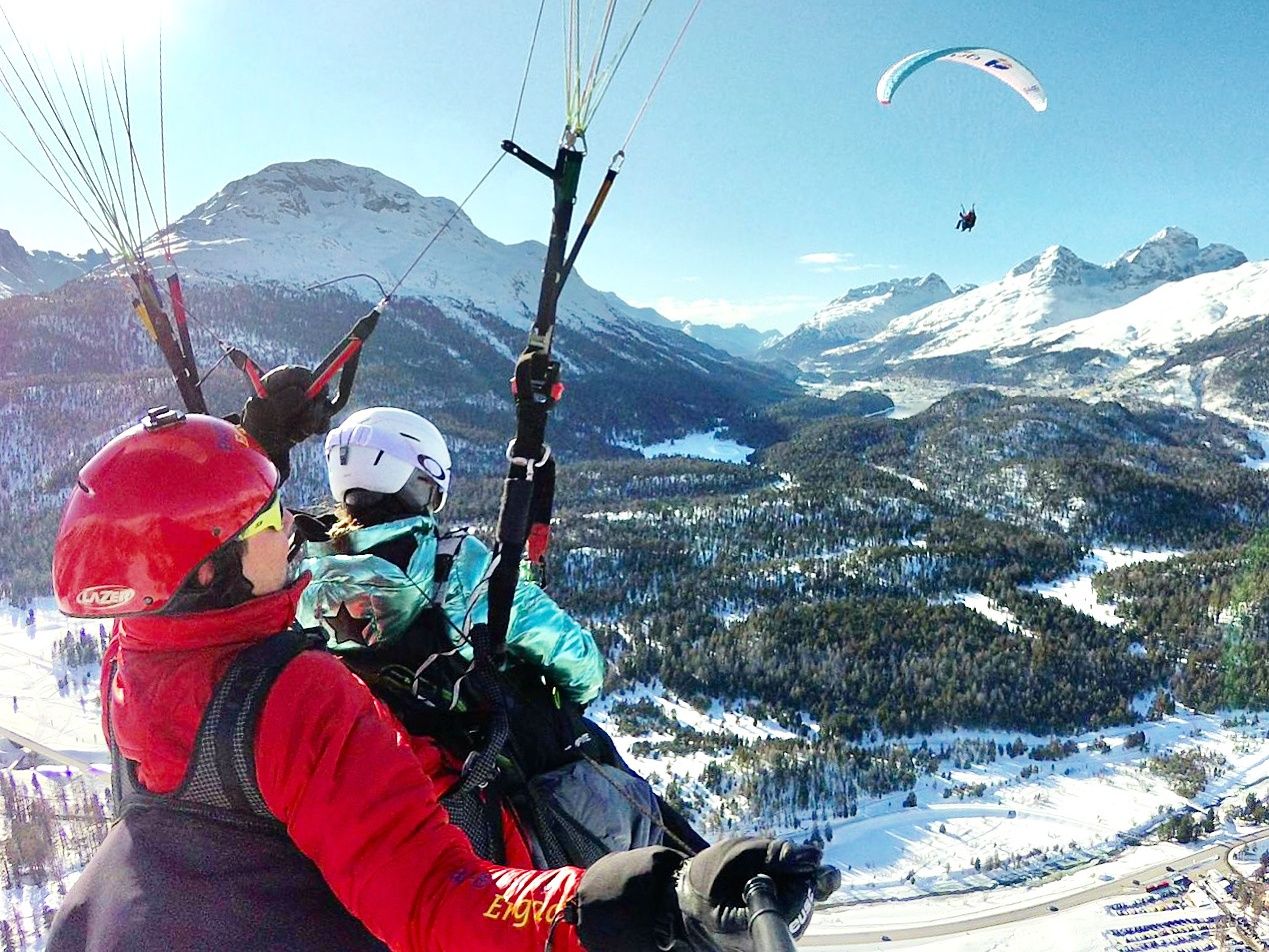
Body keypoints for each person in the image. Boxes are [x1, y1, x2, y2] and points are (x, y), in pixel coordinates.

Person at [45, 367, 833, 952]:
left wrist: (257, 440)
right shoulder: (294, 693)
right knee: (606, 785)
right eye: (264, 526)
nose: (287, 531)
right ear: (208, 571)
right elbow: (434, 897)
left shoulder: (132, 661)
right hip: (448, 814)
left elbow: (175, 528)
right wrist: (655, 897)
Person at [296, 407, 706, 868]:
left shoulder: (307, 578)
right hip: (492, 757)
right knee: (613, 784)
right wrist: (565, 700)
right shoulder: (459, 569)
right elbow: (580, 663)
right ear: (422, 481)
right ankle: (715, 889)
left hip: (392, 759)